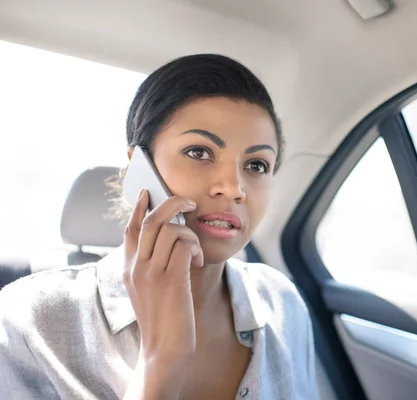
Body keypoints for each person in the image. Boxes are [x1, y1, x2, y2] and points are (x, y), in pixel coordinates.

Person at [0, 54, 319, 399]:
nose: (234, 188)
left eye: (256, 164)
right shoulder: (31, 319)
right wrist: (161, 360)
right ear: (137, 167)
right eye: (199, 152)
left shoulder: (283, 301)